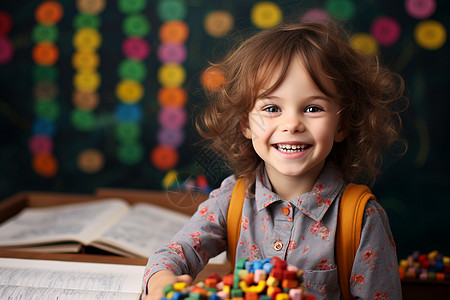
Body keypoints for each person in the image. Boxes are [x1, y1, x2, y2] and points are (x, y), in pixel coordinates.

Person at [142, 20, 407, 299]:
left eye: (313, 108)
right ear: (245, 123)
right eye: (272, 108)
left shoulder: (361, 218)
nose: (291, 123)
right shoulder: (233, 198)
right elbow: (176, 252)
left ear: (341, 126)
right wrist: (161, 282)